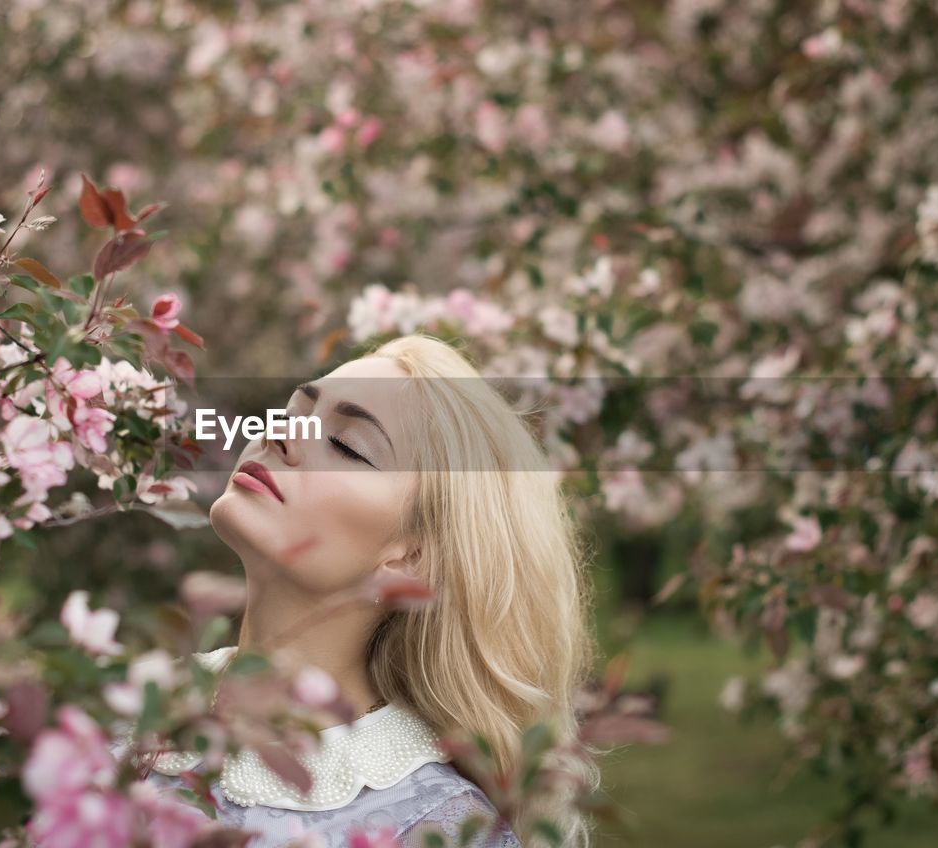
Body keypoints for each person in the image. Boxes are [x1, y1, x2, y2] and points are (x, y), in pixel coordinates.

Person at [125, 333, 600, 847]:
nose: (282, 435)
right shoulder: (119, 709)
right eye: (293, 411)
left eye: (348, 445)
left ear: (411, 560)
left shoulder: (436, 826)